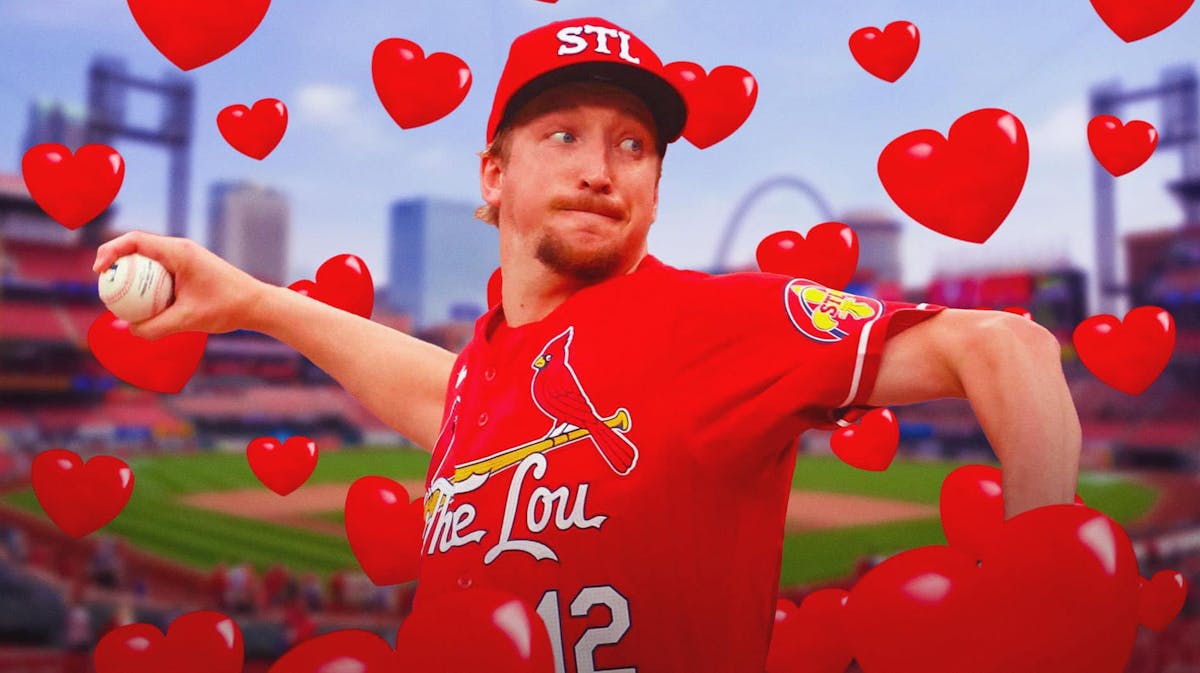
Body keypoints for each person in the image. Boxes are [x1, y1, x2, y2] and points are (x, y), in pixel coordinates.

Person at [93, 16, 1080, 673]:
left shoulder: (716, 321)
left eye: (632, 144)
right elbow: (450, 396)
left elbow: (1003, 346)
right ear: (493, 174)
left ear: (655, 185)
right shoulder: (486, 377)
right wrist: (257, 301)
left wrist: (1048, 588)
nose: (602, 168)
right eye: (562, 134)